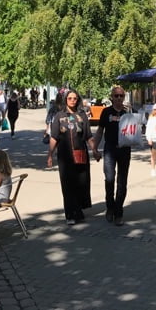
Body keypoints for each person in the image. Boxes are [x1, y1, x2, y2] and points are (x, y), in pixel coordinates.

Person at [48, 89, 95, 225]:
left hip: (80, 154)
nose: (72, 101)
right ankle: (70, 213)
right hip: (65, 156)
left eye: (75, 98)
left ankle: (78, 210)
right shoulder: (59, 116)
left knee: (81, 182)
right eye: (70, 98)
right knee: (68, 185)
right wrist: (50, 154)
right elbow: (54, 137)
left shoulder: (82, 116)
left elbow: (88, 136)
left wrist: (95, 150)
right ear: (65, 100)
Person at [92, 86, 131, 226]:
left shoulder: (128, 113)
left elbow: (136, 131)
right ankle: (110, 207)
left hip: (125, 150)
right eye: (116, 96)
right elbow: (99, 131)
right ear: (112, 97)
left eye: (121, 96)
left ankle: (118, 212)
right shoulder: (106, 112)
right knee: (109, 179)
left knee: (122, 182)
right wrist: (95, 148)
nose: (119, 98)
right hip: (110, 150)